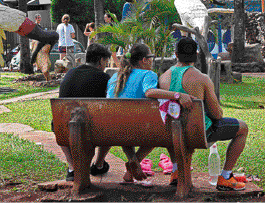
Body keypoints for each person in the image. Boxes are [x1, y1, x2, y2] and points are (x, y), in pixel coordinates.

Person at [159, 37, 248, 191]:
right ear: (196, 54)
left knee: (173, 124)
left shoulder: (163, 77)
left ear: (176, 54)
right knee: (243, 128)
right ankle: (225, 176)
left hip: (168, 134)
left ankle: (176, 170)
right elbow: (217, 115)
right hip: (198, 135)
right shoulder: (202, 78)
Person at [106, 43, 194, 183]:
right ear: (144, 60)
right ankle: (136, 164)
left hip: (114, 131)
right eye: (151, 57)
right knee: (163, 130)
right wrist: (178, 95)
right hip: (139, 130)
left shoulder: (115, 77)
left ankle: (132, 163)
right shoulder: (148, 74)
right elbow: (149, 92)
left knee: (125, 124)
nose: (152, 60)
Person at [57, 43, 113, 181]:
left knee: (59, 124)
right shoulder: (104, 78)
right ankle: (99, 164)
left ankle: (72, 167)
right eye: (106, 61)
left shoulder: (70, 73)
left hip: (64, 127)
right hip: (94, 129)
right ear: (101, 60)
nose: (105, 65)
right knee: (112, 123)